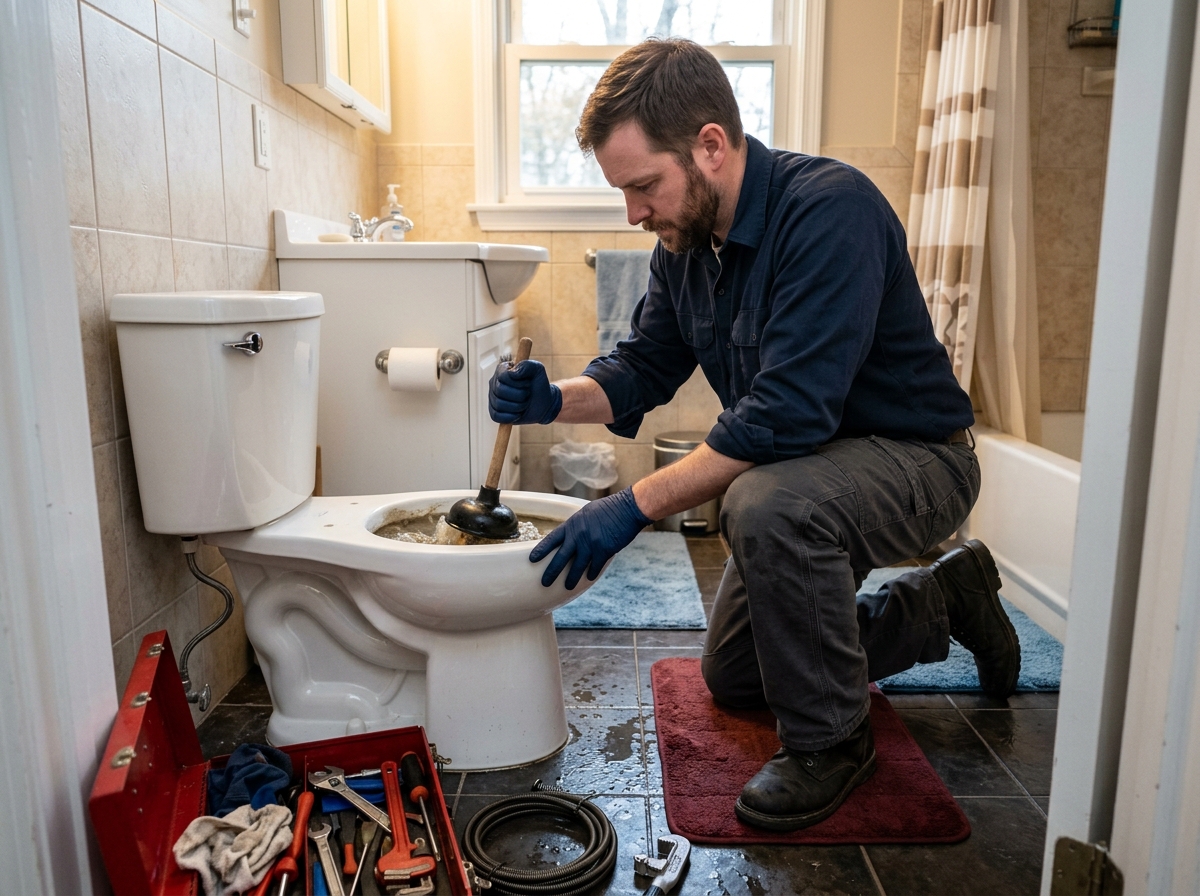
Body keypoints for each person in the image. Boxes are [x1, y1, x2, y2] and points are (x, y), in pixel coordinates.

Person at [488, 38, 1021, 831]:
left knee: (764, 503)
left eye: (643, 186)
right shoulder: (684, 244)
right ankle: (942, 600)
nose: (634, 213)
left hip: (919, 460)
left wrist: (632, 505)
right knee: (739, 676)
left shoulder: (831, 209)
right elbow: (641, 368)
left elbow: (783, 415)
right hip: (814, 469)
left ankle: (832, 744)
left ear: (710, 145)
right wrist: (551, 400)